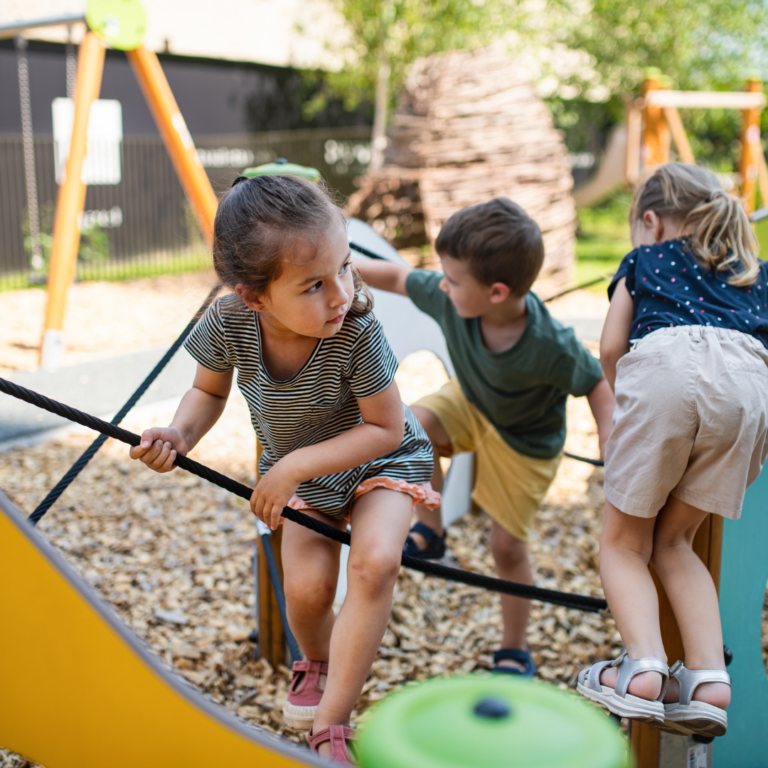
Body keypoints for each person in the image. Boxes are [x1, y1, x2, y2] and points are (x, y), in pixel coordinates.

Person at [129, 174, 438, 765]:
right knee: (307, 588)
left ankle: (332, 722)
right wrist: (178, 434)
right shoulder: (229, 323)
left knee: (374, 565)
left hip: (381, 460)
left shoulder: (356, 329)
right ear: (253, 296)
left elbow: (386, 429)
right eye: (315, 285)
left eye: (345, 268)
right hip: (305, 478)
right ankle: (317, 660)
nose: (340, 294)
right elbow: (208, 393)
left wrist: (293, 465)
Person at [356, 198, 615, 676]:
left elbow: (595, 381)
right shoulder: (451, 295)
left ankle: (515, 648)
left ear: (497, 293)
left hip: (525, 442)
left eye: (453, 279)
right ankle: (430, 532)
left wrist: (609, 436)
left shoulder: (549, 344)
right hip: (473, 400)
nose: (443, 285)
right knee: (409, 427)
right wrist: (339, 265)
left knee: (505, 547)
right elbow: (395, 277)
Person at [577, 163, 768, 738]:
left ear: (651, 222)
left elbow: (612, 343)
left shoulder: (645, 260)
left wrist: (627, 394)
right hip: (749, 388)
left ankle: (642, 670)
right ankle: (709, 681)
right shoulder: (755, 272)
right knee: (676, 540)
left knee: (624, 542)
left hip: (666, 370)